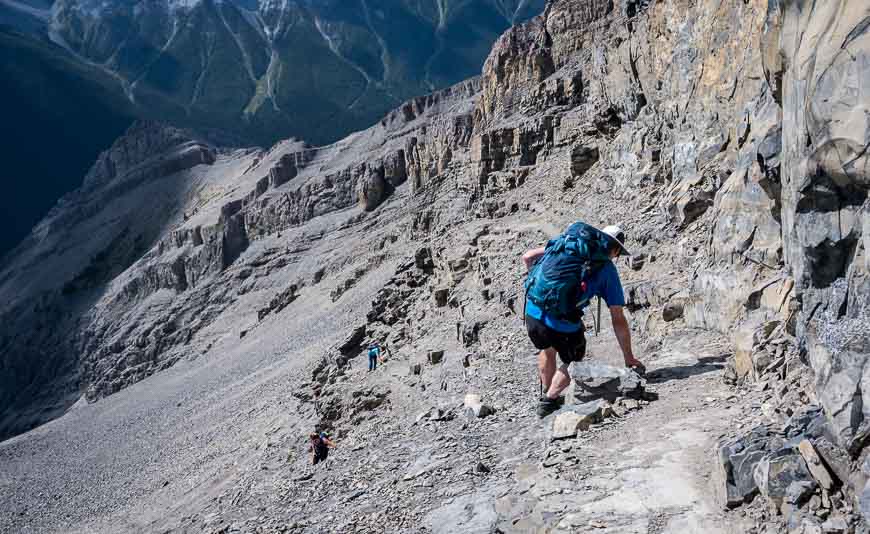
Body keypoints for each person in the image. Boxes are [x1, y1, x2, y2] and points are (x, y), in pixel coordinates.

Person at [522, 223, 645, 418]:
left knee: (547, 349)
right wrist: (628, 357)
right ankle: (549, 401)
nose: (616, 256)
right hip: (561, 320)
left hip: (532, 311)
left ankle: (545, 393)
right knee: (574, 359)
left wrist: (540, 290)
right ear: (613, 248)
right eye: (618, 252)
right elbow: (617, 318)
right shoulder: (607, 269)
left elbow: (527, 257)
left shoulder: (566, 244)